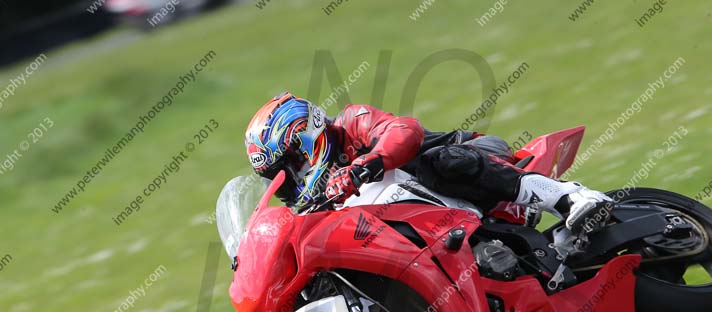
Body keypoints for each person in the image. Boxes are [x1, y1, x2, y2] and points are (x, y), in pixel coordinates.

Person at [244, 92, 613, 233]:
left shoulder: (351, 121)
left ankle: (569, 197)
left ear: (307, 136)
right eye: (279, 176)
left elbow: (405, 131)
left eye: (290, 164)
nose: (292, 179)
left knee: (437, 162)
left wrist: (363, 167)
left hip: (472, 153)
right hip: (431, 224)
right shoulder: (317, 198)